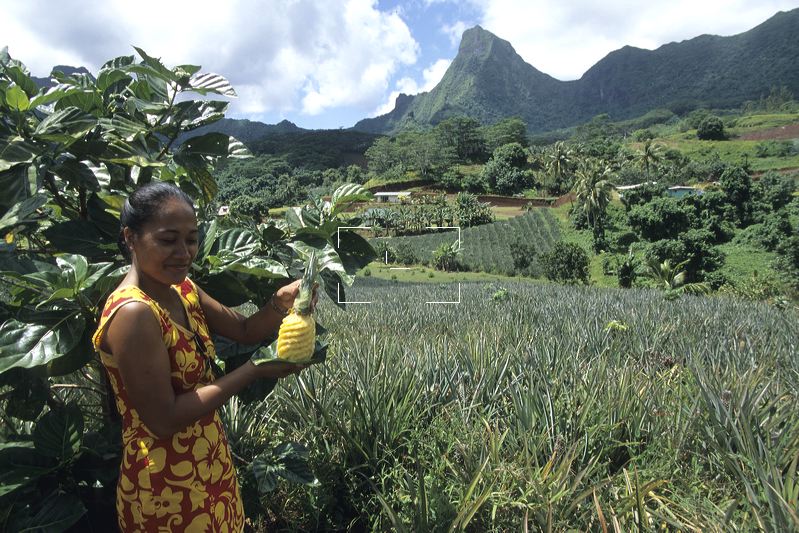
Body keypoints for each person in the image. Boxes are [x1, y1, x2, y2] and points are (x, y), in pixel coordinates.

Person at [92, 182, 311, 532]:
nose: (183, 252)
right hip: (165, 489)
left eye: (191, 239)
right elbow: (164, 419)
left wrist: (279, 303)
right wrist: (255, 370)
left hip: (208, 466)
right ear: (131, 238)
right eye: (167, 240)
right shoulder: (134, 313)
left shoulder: (182, 289)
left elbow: (244, 330)